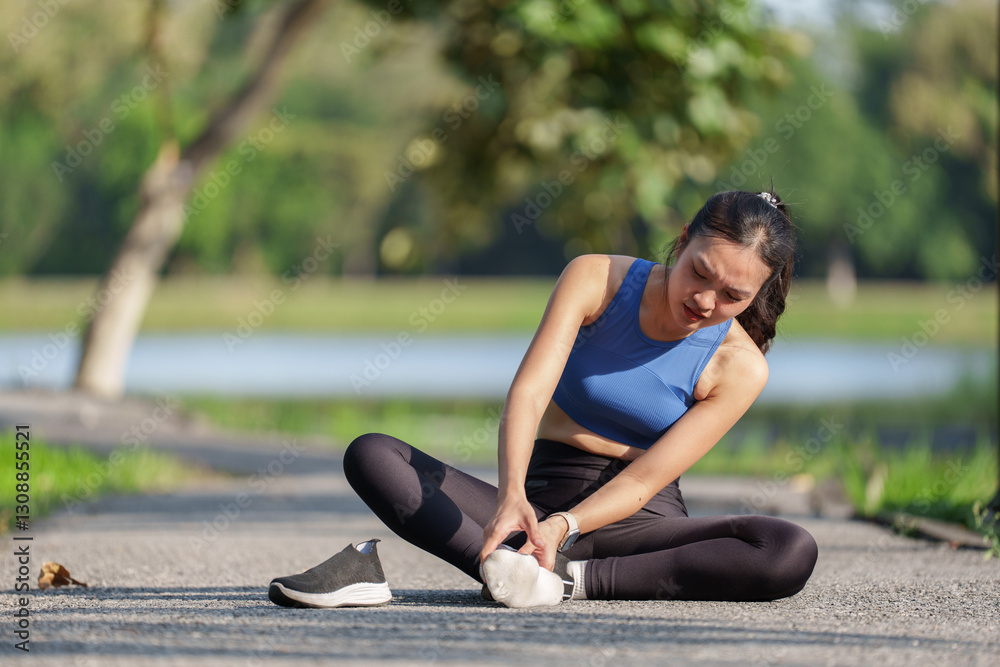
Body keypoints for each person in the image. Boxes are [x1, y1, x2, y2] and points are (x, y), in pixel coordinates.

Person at [268, 189, 818, 609]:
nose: (705, 300)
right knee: (372, 454)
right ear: (682, 241)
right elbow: (529, 393)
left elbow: (645, 480)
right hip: (533, 504)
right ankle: (515, 565)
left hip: (636, 523)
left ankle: (559, 581)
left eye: (733, 296)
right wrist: (512, 498)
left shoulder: (742, 366)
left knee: (787, 549)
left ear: (757, 294)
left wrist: (565, 528)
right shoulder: (596, 279)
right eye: (700, 273)